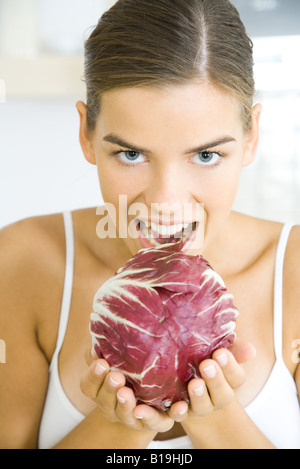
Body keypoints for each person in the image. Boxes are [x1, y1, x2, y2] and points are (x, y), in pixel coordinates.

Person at [0, 0, 299, 450]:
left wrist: (217, 420)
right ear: (86, 134)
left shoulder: (293, 271)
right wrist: (121, 424)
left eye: (206, 155)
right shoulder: (22, 260)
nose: (165, 201)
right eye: (132, 154)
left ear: (251, 137)